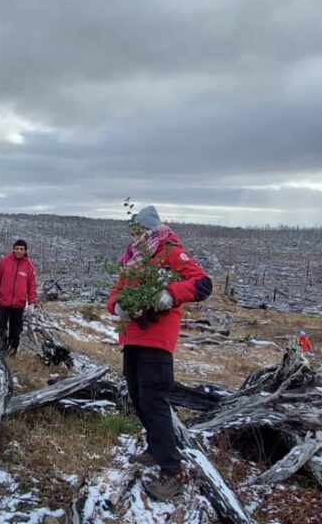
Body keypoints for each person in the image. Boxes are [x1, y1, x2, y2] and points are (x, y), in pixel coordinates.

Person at [106, 205, 212, 501]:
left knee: (154, 401)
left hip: (157, 341)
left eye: (139, 231)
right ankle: (155, 448)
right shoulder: (132, 260)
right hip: (133, 338)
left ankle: (172, 470)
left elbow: (202, 283)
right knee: (138, 397)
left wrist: (170, 294)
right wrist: (118, 306)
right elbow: (115, 293)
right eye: (132, 232)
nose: (135, 237)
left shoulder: (169, 252)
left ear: (151, 230)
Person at [0, 239, 37, 354]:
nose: (19, 251)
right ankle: (1, 346)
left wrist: (31, 303)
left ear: (25, 251)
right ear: (13, 249)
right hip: (3, 302)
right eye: (17, 248)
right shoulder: (5, 262)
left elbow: (32, 285)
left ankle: (12, 350)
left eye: (21, 249)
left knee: (15, 330)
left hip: (18, 304)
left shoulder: (29, 266)